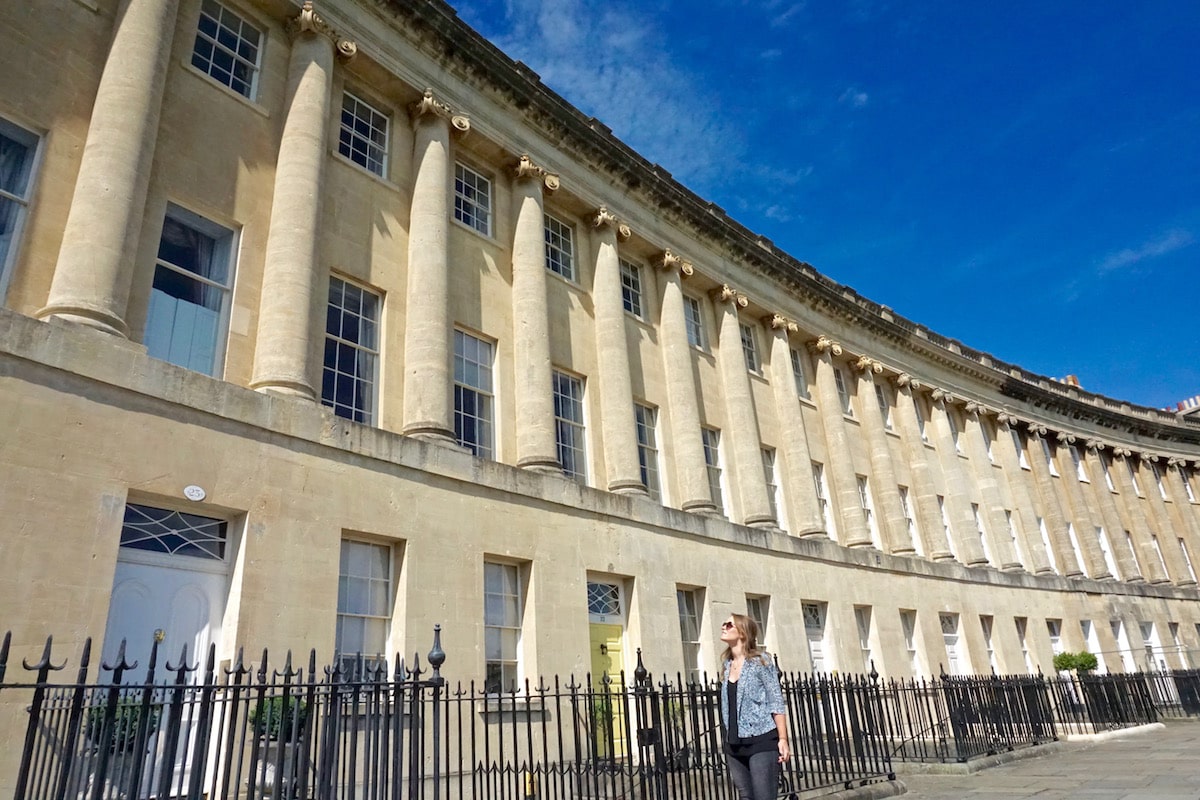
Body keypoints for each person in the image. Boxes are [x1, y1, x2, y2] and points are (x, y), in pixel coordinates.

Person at [719, 613, 790, 800]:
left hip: (761, 740)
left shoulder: (761, 662)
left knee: (764, 796)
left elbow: (776, 699)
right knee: (745, 796)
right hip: (734, 742)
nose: (723, 627)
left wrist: (782, 738)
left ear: (742, 632)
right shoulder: (727, 665)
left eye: (728, 624)